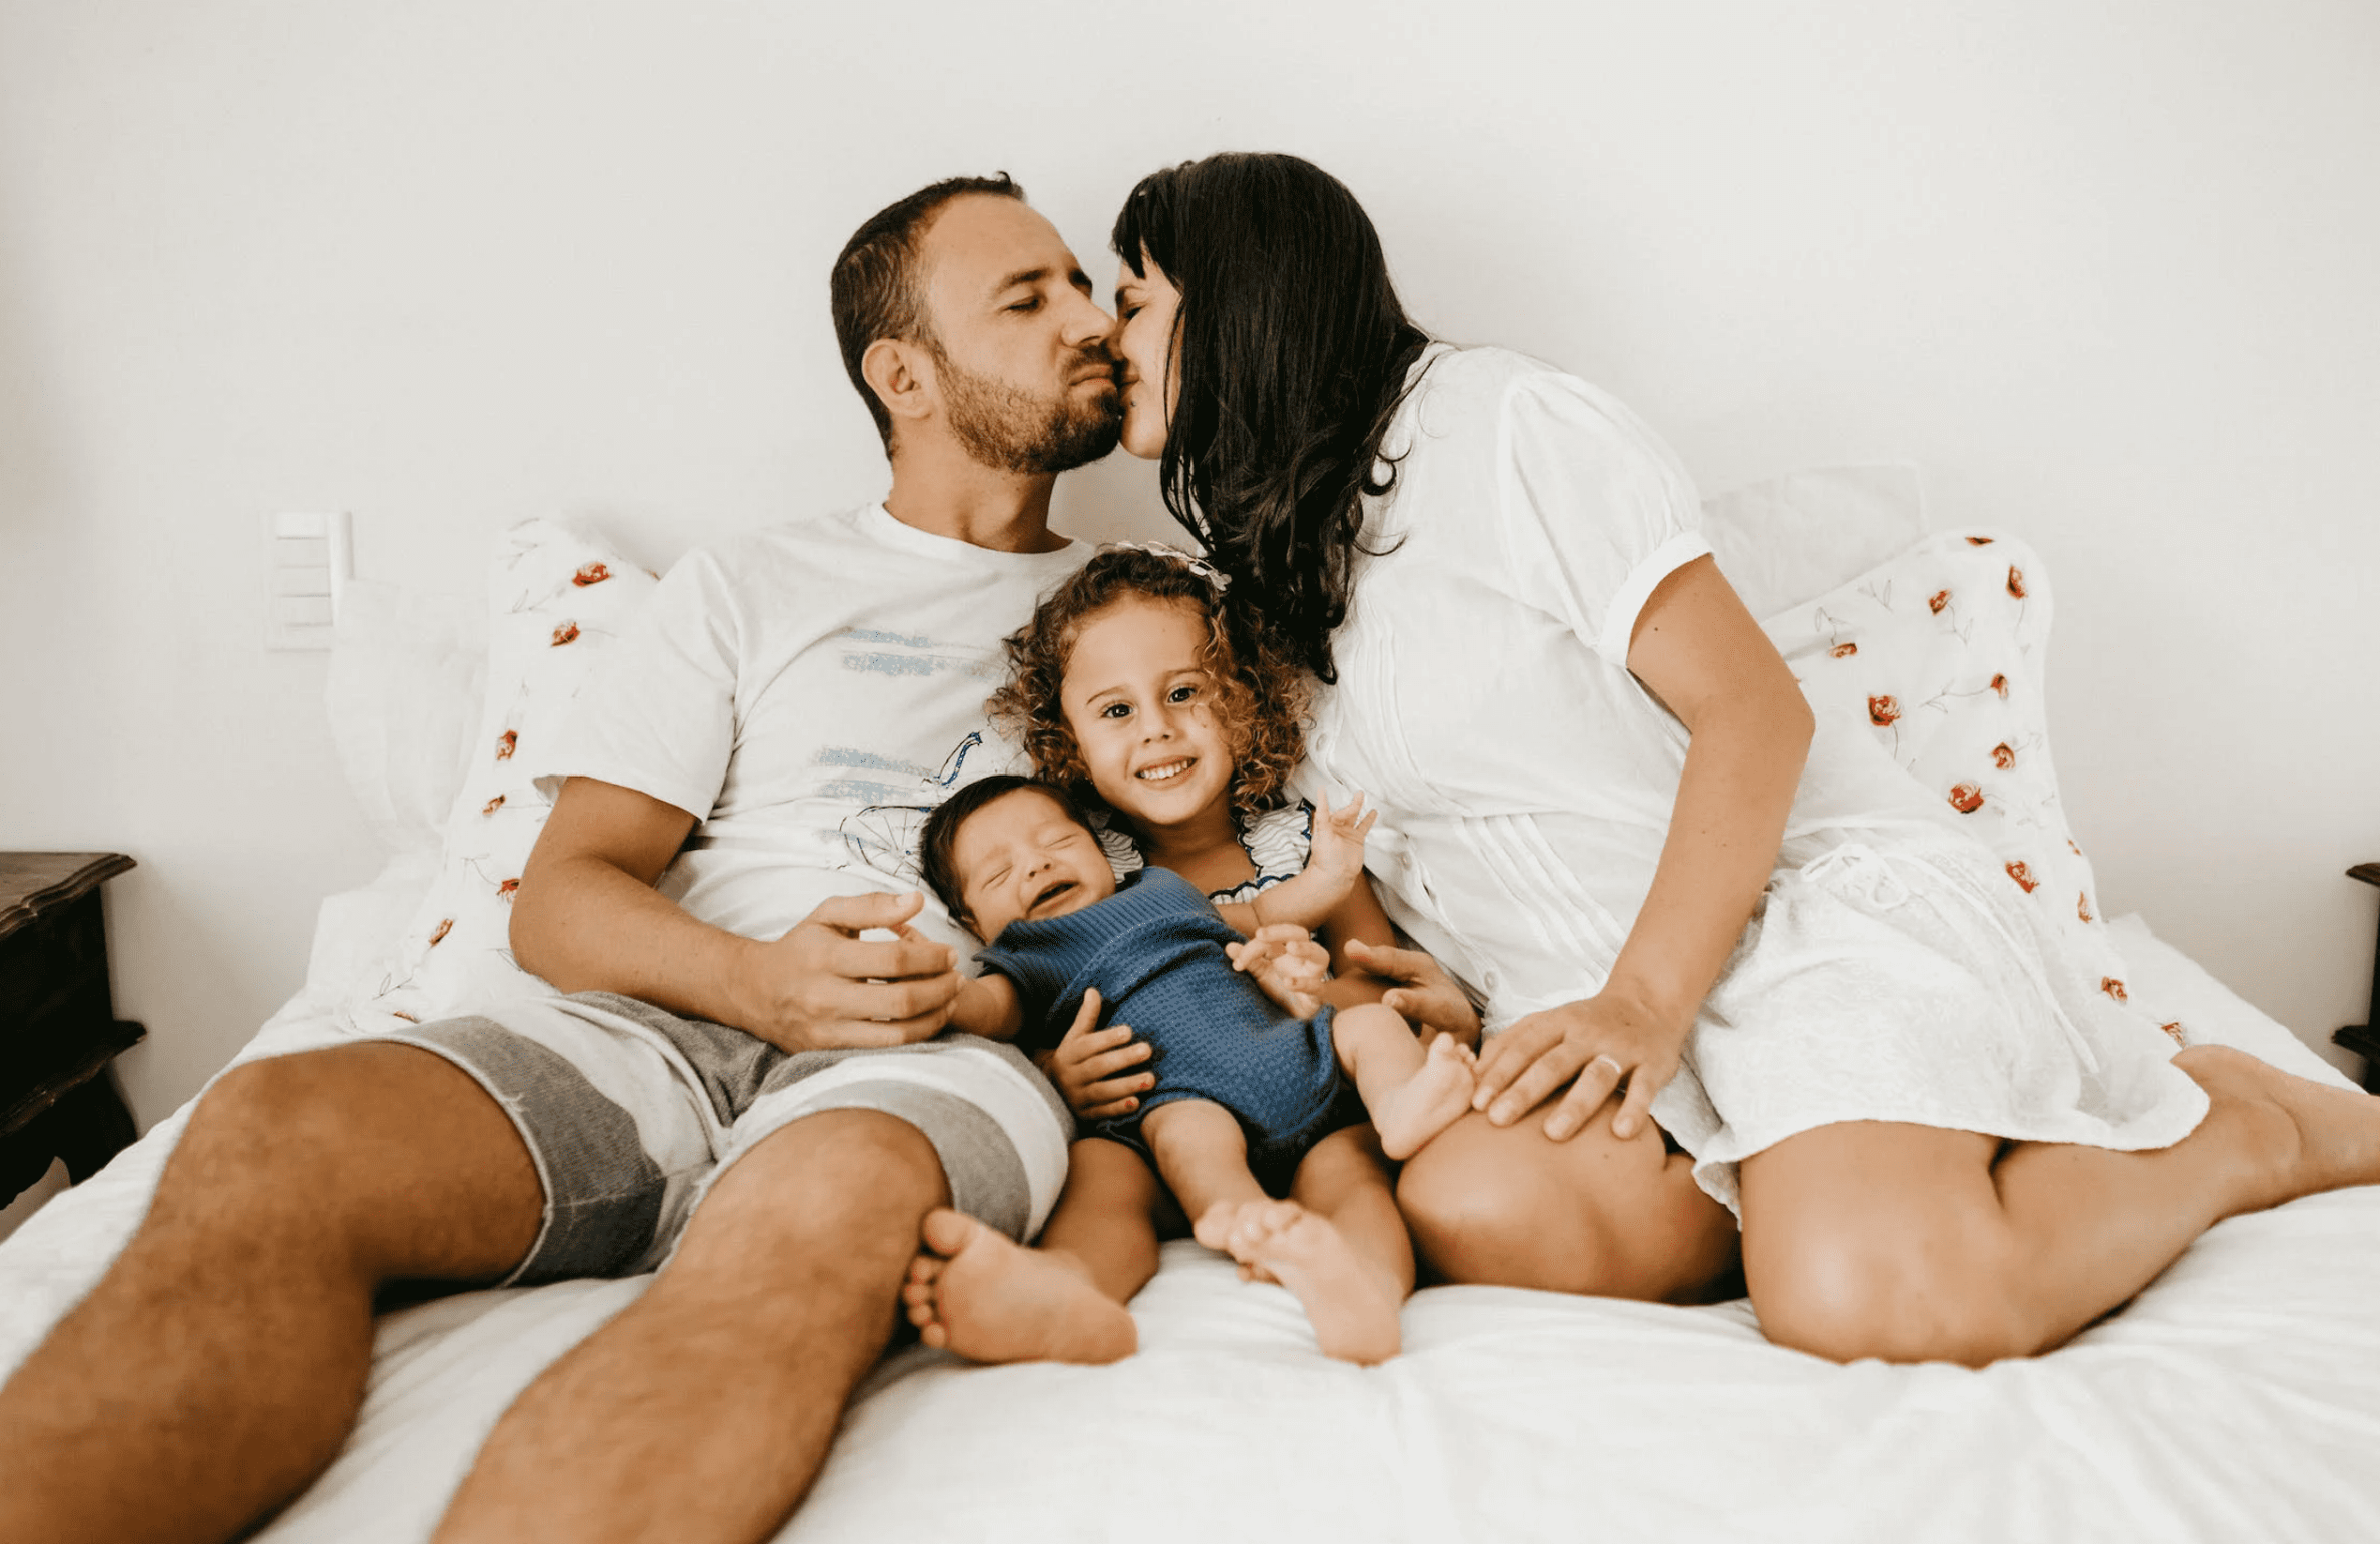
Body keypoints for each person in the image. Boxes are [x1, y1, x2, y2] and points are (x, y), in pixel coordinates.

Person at [0, 174, 1140, 1544]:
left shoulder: (1149, 614)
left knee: (798, 1228)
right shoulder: (751, 586)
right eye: (1028, 296)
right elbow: (561, 897)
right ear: (902, 375)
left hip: (940, 1040)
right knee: (269, 1127)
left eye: (1087, 286)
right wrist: (759, 985)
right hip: (664, 1023)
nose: (1091, 319)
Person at [1100, 150, 2380, 1364]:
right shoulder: (1269, 577)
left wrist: (1645, 1006)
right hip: (1571, 998)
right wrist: (1429, 979)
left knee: (1861, 1296)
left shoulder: (1497, 425)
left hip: (1786, 925)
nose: (1110, 337)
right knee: (1475, 1198)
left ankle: (2236, 1125)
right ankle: (1811, 1178)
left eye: (1134, 301)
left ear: (1240, 300)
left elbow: (1755, 713)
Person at [897, 545, 1483, 1364]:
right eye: (1115, 711)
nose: (1157, 729)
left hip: (1312, 1087)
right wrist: (1058, 1074)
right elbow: (1010, 1008)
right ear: (1068, 745)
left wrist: (1308, 988)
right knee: (1104, 1182)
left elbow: (1380, 987)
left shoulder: (1303, 847)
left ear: (1242, 696)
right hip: (1165, 1115)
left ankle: (1363, 1291)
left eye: (1183, 693)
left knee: (1354, 1175)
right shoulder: (1092, 882)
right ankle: (1071, 1289)